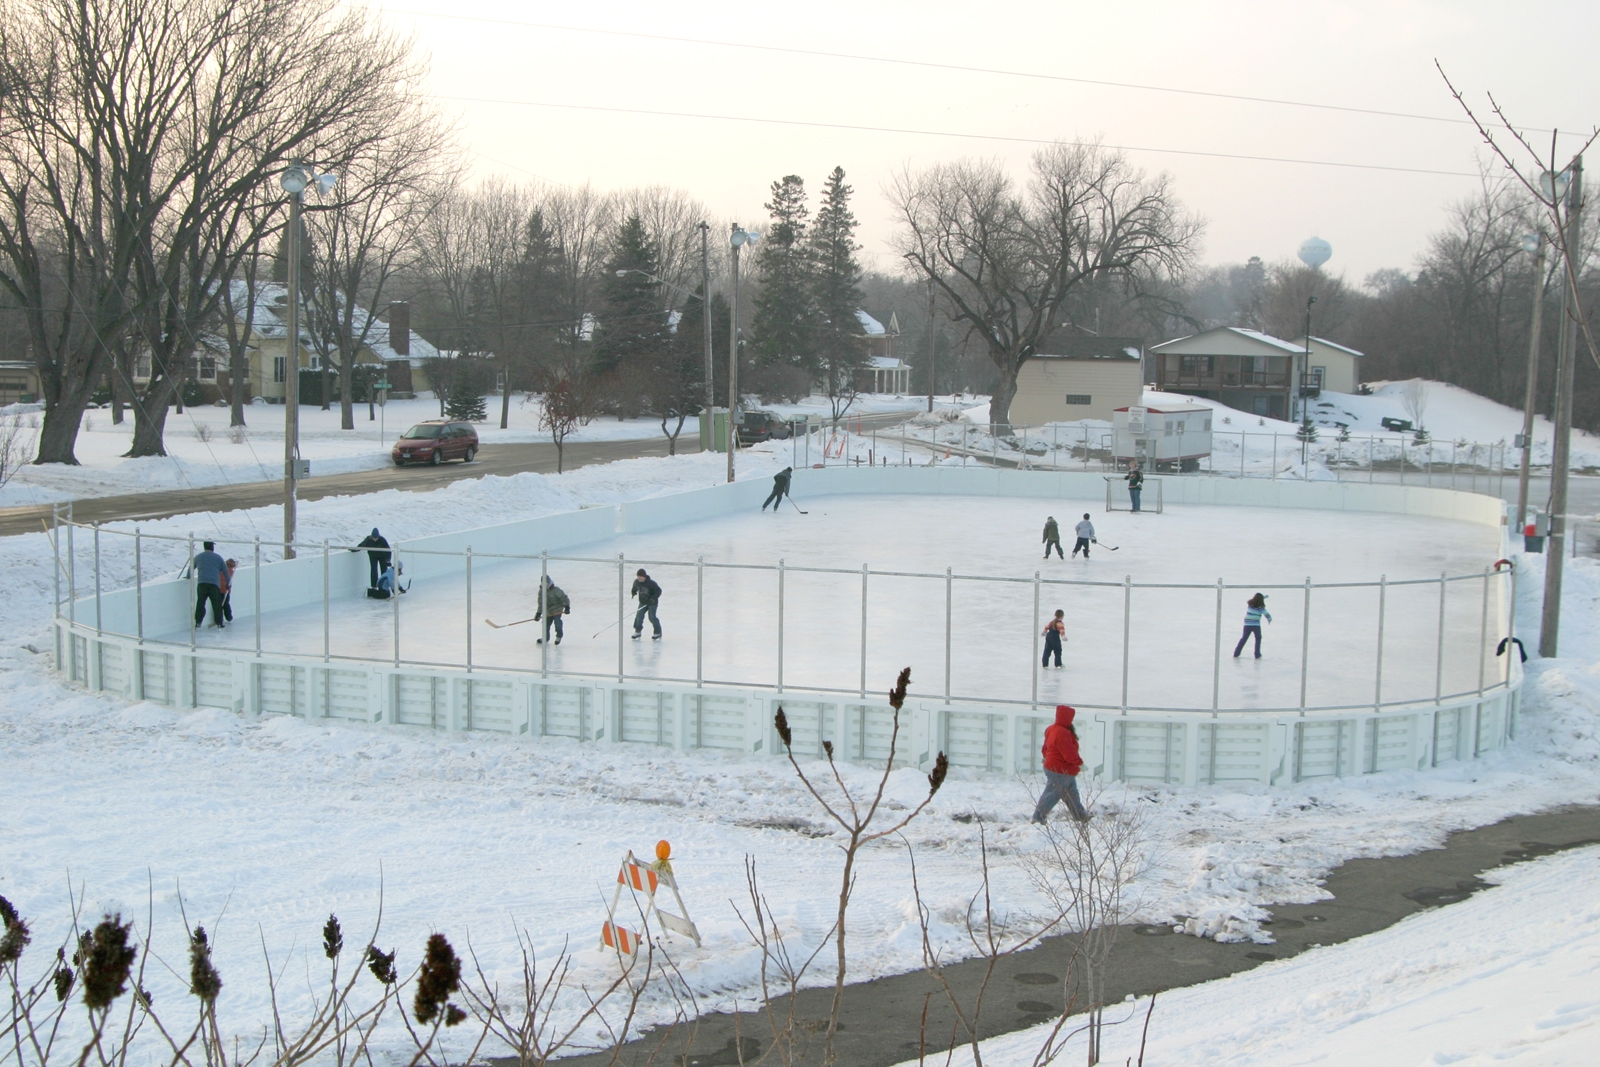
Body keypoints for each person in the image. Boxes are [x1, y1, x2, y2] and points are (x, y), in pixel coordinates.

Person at [1031, 705, 1089, 824]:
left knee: (1071, 793)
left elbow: (1046, 747)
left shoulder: (1051, 729)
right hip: (1060, 770)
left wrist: (1045, 757)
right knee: (1052, 794)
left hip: (1054, 767)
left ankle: (1080, 815)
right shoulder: (1063, 733)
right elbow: (1069, 753)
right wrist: (1080, 764)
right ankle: (1038, 817)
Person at [192, 541, 227, 629]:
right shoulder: (218, 558)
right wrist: (228, 583)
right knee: (216, 604)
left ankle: (198, 622)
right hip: (214, 584)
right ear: (212, 547)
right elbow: (225, 571)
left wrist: (188, 576)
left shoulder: (198, 557)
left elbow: (191, 568)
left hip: (202, 584)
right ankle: (219, 623)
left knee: (200, 603)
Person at [1232, 593, 1272, 658]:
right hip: (1256, 625)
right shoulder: (1261, 607)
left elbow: (1257, 599)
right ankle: (1257, 654)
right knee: (1258, 638)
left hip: (1247, 624)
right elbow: (1267, 615)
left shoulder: (1250, 604)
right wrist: (1270, 620)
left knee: (1244, 638)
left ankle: (1236, 653)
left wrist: (1264, 597)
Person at [534, 575, 570, 645]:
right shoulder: (541, 591)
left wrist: (567, 607)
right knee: (545, 625)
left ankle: (559, 636)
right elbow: (541, 603)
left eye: (546, 583)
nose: (545, 585)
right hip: (548, 611)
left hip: (557, 609)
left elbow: (564, 598)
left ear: (549, 582)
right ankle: (545, 638)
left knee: (557, 623)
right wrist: (538, 613)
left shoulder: (556, 590)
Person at [630, 568, 662, 640]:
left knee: (652, 617)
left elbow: (658, 591)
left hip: (652, 603)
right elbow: (634, 588)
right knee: (639, 616)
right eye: (638, 576)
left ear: (644, 576)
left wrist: (653, 598)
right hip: (642, 602)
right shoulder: (636, 582)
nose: (639, 578)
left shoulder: (651, 583)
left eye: (641, 577)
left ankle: (657, 633)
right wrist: (633, 592)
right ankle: (637, 631)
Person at [220, 559, 238, 623]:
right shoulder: (230, 571)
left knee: (221, 604)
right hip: (225, 590)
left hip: (221, 589)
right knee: (225, 604)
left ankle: (223, 617)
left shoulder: (221, 570)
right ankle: (229, 617)